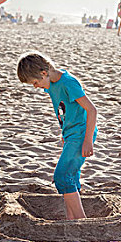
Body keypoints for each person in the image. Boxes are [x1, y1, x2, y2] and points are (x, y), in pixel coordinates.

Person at [16, 51, 97, 220]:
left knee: (61, 176)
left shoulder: (68, 83)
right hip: (70, 134)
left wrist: (88, 140)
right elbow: (67, 110)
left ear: (44, 73)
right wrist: (65, 132)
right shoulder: (51, 84)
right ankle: (71, 220)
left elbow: (91, 110)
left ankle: (82, 221)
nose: (35, 87)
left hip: (81, 134)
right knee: (70, 175)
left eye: (36, 82)